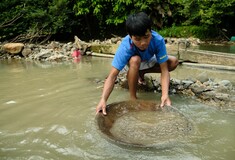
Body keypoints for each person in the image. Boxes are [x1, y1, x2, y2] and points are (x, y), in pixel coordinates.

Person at [96, 12, 178, 115]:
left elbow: (164, 70)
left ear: (151, 32)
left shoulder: (158, 40)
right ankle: (133, 97)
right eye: (137, 39)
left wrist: (165, 95)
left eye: (146, 37)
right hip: (131, 64)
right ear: (130, 37)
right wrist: (103, 99)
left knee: (173, 61)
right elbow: (112, 76)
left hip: (148, 60)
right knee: (135, 59)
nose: (143, 43)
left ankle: (141, 72)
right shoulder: (125, 46)